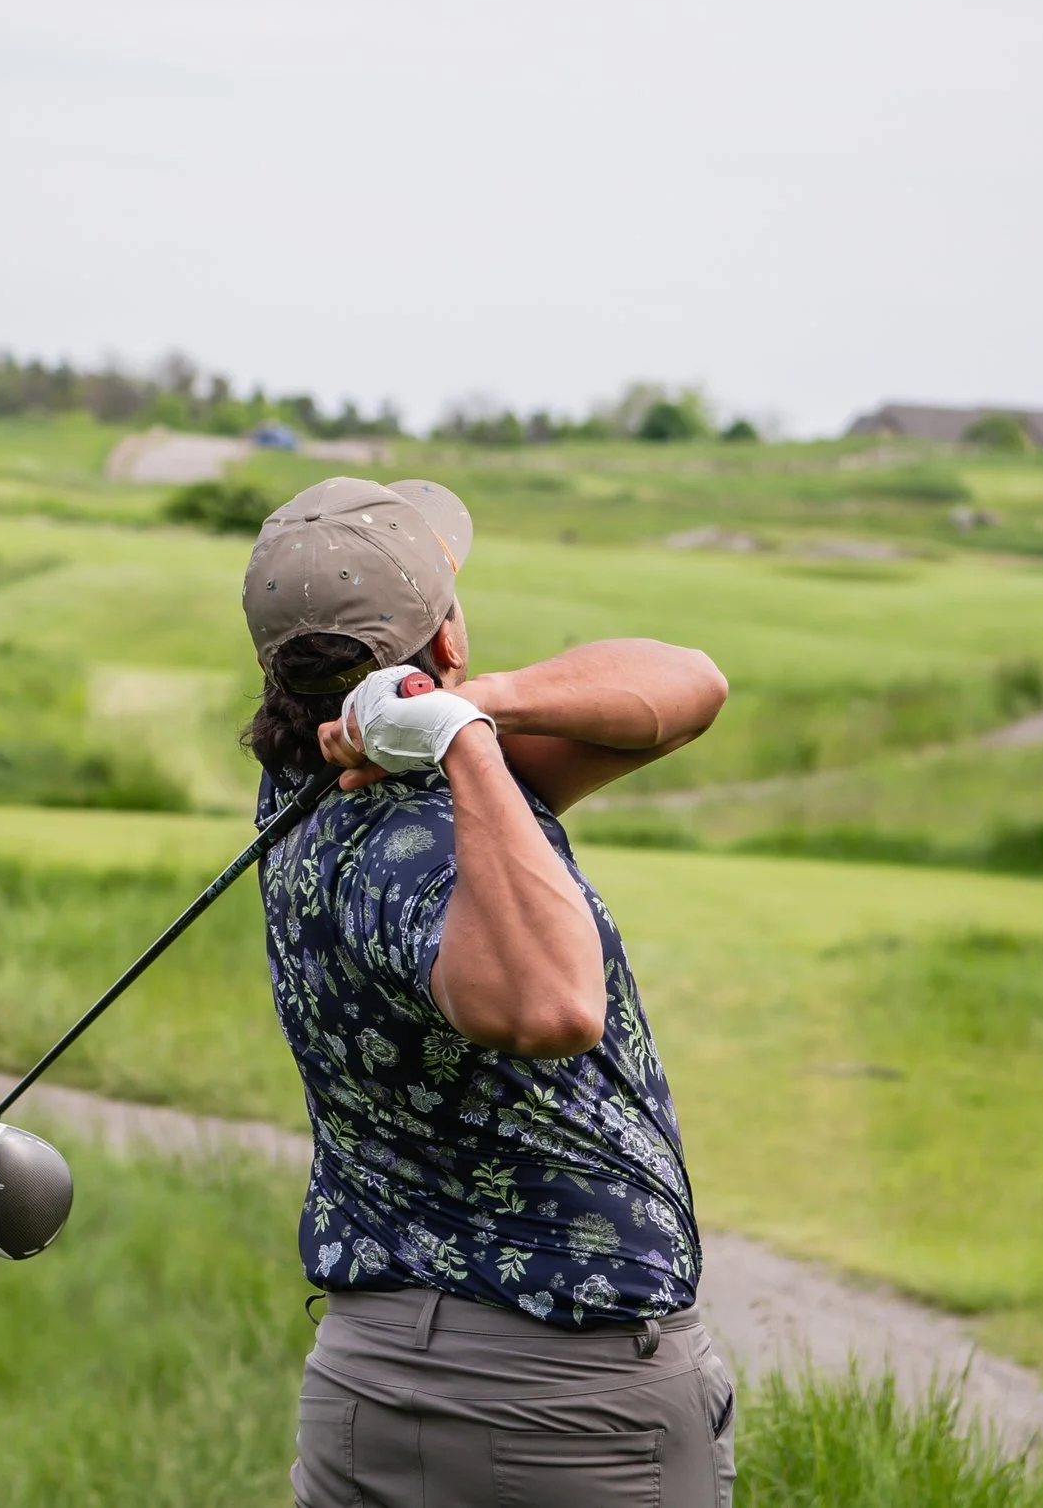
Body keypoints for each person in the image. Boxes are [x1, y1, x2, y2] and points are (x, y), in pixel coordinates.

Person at [243, 476, 735, 1508]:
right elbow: (553, 1005)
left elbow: (686, 689)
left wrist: (474, 710)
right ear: (447, 635)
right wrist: (465, 739)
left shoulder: (301, 785)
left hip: (369, 1382)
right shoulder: (426, 831)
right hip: (562, 1406)